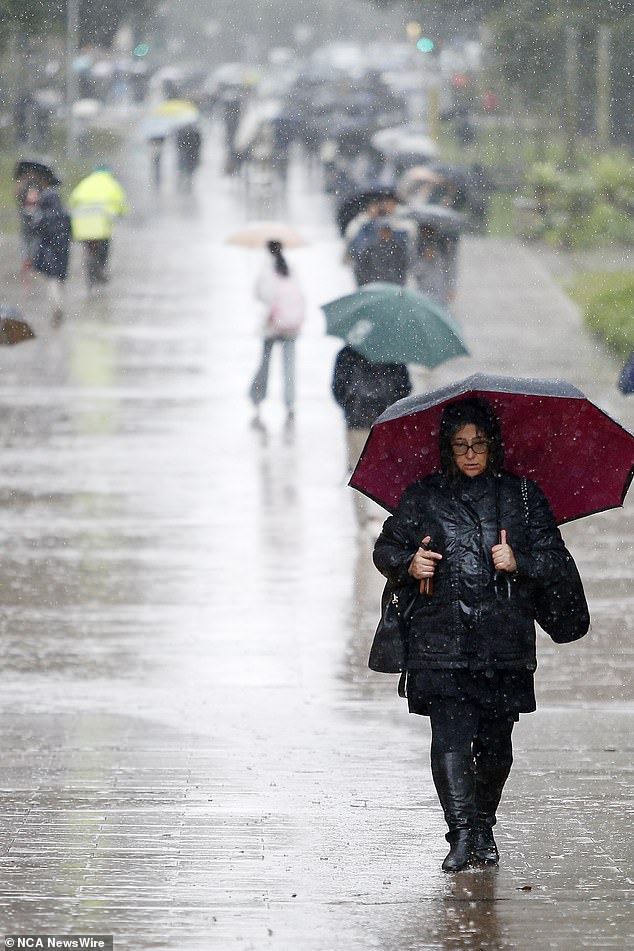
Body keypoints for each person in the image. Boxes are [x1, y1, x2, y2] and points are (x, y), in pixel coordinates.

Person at [372, 397, 568, 871]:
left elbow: (554, 559)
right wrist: (407, 562)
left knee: (497, 743)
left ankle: (483, 824)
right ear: (447, 449)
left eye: (479, 444)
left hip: (504, 640)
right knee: (452, 736)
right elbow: (386, 548)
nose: (471, 454)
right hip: (439, 639)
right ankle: (460, 834)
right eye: (460, 446)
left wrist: (519, 562)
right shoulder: (423, 496)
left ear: (493, 447)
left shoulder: (522, 496)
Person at [332, 345, 411, 532]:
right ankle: (385, 518)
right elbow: (405, 387)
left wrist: (351, 405)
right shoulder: (394, 354)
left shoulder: (346, 353)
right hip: (387, 419)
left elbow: (337, 388)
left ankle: (363, 522)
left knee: (360, 472)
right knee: (387, 470)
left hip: (357, 421)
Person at [248, 241, 305, 422]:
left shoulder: (266, 271)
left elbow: (259, 294)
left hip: (271, 325)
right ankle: (290, 402)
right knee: (289, 365)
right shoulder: (291, 269)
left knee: (265, 363)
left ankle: (257, 397)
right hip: (291, 325)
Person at [68, 165, 128, 289]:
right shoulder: (112, 184)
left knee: (87, 242)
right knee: (105, 244)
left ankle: (88, 261)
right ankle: (102, 267)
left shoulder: (86, 182)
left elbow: (72, 200)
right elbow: (121, 203)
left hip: (83, 224)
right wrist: (121, 213)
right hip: (100, 223)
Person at [31, 176, 72, 326]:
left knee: (52, 281)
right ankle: (59, 306)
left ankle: (57, 308)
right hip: (63, 252)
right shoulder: (64, 215)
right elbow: (71, 233)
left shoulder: (43, 216)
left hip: (49, 253)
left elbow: (34, 230)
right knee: (59, 280)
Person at [175, 124, 202, 192]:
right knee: (187, 164)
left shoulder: (180, 126)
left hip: (188, 146)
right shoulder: (195, 126)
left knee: (185, 163)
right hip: (189, 146)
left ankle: (185, 180)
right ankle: (186, 180)